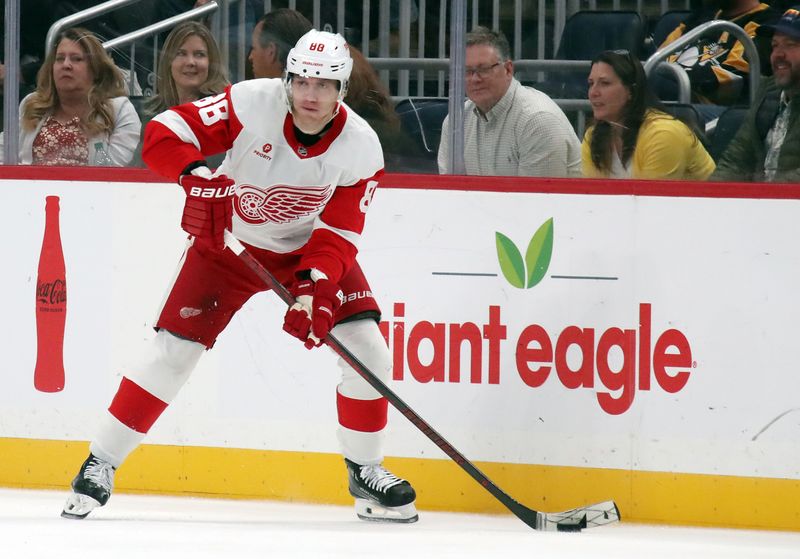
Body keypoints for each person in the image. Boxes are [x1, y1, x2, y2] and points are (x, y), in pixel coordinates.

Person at [61, 29, 418, 524]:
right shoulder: (252, 102)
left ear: (342, 90)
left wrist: (315, 289)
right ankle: (101, 461)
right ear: (288, 79)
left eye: (324, 85)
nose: (310, 96)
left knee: (368, 347)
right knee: (175, 351)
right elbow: (164, 132)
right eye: (302, 82)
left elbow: (338, 232)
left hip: (305, 251)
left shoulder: (361, 147)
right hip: (227, 246)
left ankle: (366, 469)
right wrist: (196, 176)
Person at [437, 26, 581, 177]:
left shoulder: (538, 120)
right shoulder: (456, 122)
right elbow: (450, 194)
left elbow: (537, 199)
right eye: (467, 71)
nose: (474, 79)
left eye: (484, 69)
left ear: (508, 69)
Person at [0, 27, 140, 166]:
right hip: (32, 187)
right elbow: (3, 154)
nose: (66, 65)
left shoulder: (119, 111)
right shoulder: (31, 105)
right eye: (60, 59)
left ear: (96, 69)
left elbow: (115, 174)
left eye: (76, 59)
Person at [582, 50, 716, 180]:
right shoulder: (593, 136)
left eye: (605, 83)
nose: (593, 92)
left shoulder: (663, 134)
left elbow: (651, 201)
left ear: (631, 91)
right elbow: (590, 196)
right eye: (591, 83)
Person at [711, 6, 800, 182]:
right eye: (775, 45)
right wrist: (709, 197)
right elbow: (736, 160)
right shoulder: (769, 92)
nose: (778, 55)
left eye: (791, 45)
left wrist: (766, 198)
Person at [656, 0, 780, 118]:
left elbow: (732, 78)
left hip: (720, 110)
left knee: (653, 83)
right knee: (647, 79)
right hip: (673, 91)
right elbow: (657, 58)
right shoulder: (699, 18)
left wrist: (675, 75)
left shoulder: (765, 22)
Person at [131, 21, 229, 166]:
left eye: (199, 55)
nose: (190, 62)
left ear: (211, 63)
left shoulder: (223, 111)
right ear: (169, 62)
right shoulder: (153, 112)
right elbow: (138, 169)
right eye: (181, 54)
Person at [249, 8, 313, 79]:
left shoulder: (243, 89)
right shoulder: (320, 88)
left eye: (253, 48)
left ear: (271, 51)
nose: (250, 57)